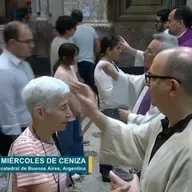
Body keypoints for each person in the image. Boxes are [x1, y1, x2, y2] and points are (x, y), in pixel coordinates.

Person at [71, 47, 192, 192]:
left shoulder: (188, 153)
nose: (147, 84)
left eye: (151, 78)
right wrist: (94, 112)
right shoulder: (167, 119)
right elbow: (134, 138)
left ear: (173, 87)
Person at [8, 76, 72, 192]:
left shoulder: (51, 136)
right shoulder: (26, 148)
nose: (69, 113)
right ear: (40, 113)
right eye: (63, 108)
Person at [94, 36, 137, 182]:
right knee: (115, 142)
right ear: (108, 50)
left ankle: (107, 171)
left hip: (117, 108)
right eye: (118, 48)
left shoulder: (111, 64)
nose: (121, 51)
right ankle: (113, 173)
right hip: (111, 109)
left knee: (111, 141)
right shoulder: (102, 67)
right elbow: (107, 93)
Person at [0, 21, 34, 156]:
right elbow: (7, 110)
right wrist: (20, 143)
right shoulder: (4, 69)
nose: (32, 46)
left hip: (29, 128)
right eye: (28, 42)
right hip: (14, 135)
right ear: (12, 43)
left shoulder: (24, 64)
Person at [54, 43, 84, 180]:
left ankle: (79, 167)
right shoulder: (60, 74)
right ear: (65, 57)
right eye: (74, 55)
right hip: (66, 115)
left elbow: (76, 89)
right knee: (66, 144)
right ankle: (68, 172)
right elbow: (67, 97)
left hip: (76, 111)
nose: (76, 57)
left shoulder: (71, 68)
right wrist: (76, 111)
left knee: (78, 138)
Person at [71, 9, 100, 95]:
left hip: (78, 63)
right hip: (90, 62)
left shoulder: (73, 32)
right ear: (81, 18)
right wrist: (95, 58)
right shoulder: (90, 29)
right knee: (92, 86)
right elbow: (98, 46)